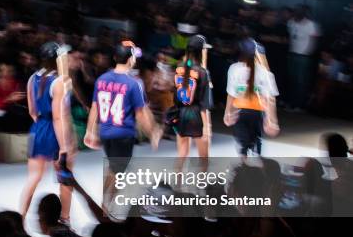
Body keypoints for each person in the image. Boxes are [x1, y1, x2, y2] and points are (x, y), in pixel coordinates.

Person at [84, 40, 161, 214]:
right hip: (122, 133)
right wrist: (152, 133)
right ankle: (106, 207)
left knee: (114, 168)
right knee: (117, 171)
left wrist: (90, 130)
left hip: (105, 132)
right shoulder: (133, 83)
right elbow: (141, 113)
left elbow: (95, 107)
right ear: (130, 60)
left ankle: (106, 205)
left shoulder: (101, 79)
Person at [19, 41, 76, 223]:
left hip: (37, 128)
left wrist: (41, 125)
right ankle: (65, 219)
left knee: (33, 177)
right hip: (54, 129)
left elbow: (32, 111)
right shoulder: (59, 82)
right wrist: (64, 147)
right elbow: (59, 118)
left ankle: (20, 218)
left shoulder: (32, 78)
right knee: (65, 177)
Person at [224, 38, 280, 156]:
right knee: (255, 142)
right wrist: (271, 120)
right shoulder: (265, 72)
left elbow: (231, 94)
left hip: (240, 112)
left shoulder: (234, 69)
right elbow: (270, 98)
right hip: (257, 112)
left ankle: (244, 168)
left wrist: (228, 112)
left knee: (243, 145)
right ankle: (255, 167)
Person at [171, 35, 213, 175]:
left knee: (182, 154)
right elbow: (203, 104)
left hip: (181, 113)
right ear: (201, 51)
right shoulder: (202, 72)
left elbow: (175, 96)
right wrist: (207, 127)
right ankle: (203, 189)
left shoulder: (179, 68)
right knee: (204, 158)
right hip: (197, 116)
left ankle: (177, 187)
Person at [286, 5, 320, 111]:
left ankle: (300, 105)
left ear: (304, 13)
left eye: (301, 11)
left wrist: (308, 52)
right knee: (292, 79)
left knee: (301, 81)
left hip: (303, 56)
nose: (298, 13)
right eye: (297, 11)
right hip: (292, 53)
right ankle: (291, 103)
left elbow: (314, 40)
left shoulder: (311, 24)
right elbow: (289, 37)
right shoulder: (291, 22)